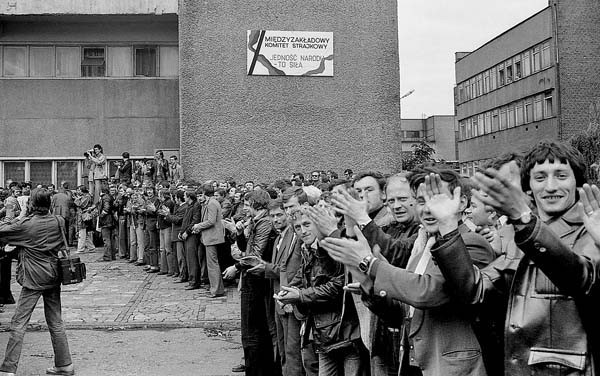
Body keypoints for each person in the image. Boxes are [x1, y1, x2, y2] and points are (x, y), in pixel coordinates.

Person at [432, 140, 600, 375]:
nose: (550, 187)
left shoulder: (592, 229)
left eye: (561, 176)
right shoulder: (524, 235)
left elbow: (579, 278)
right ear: (528, 187)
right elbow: (476, 291)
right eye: (540, 178)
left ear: (578, 183)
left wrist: (523, 220)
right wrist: (449, 227)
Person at [321, 168, 495, 376]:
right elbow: (403, 314)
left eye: (436, 200)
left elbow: (427, 293)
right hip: (414, 363)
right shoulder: (424, 244)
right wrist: (369, 286)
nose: (428, 210)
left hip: (453, 369)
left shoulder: (472, 243)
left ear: (463, 203)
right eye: (421, 201)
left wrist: (370, 263)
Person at [0, 188, 74, 376]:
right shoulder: (59, 221)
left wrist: (13, 214)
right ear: (49, 204)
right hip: (53, 275)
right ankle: (64, 364)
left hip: (32, 277)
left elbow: (2, 232)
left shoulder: (26, 224)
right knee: (56, 321)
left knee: (19, 323)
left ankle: (9, 368)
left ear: (31, 204)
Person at [223, 190, 278, 376]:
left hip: (256, 279)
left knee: (253, 331)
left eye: (247, 205)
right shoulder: (257, 222)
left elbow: (255, 255)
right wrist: (238, 233)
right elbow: (247, 248)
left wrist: (236, 267)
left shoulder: (264, 223)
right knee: (252, 330)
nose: (245, 209)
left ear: (257, 205)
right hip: (252, 277)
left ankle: (256, 369)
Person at [191, 184, 226, 297]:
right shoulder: (210, 202)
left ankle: (216, 290)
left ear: (205, 193)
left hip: (212, 238)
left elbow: (211, 221)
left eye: (201, 194)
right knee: (212, 264)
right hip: (210, 237)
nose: (200, 197)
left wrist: (198, 226)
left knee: (212, 265)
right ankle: (216, 288)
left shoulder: (211, 203)